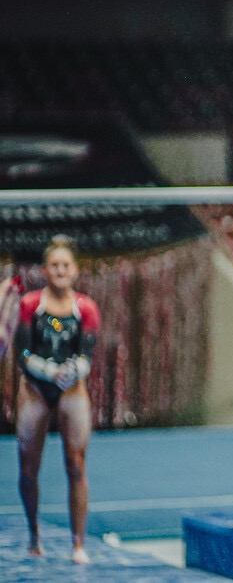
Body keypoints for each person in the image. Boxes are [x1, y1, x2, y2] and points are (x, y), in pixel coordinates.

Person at [14, 235, 100, 564]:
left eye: (66, 265)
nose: (61, 270)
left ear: (75, 269)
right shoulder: (32, 306)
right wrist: (45, 370)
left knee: (76, 465)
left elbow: (85, 351)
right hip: (36, 390)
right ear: (45, 269)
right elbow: (22, 351)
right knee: (28, 468)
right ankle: (34, 533)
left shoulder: (86, 308)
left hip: (71, 391)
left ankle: (78, 542)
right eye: (55, 265)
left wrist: (74, 369)